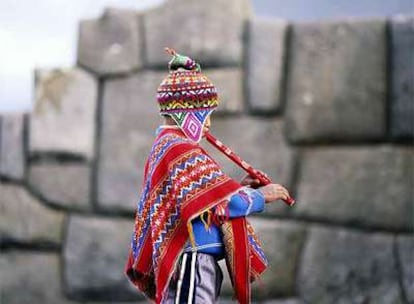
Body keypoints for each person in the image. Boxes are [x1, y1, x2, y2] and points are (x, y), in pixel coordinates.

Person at [124, 48, 291, 304]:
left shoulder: (168, 145)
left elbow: (207, 197)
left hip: (190, 259)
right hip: (191, 258)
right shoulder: (178, 148)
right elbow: (223, 204)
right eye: (207, 114)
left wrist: (239, 187)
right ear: (190, 113)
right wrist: (259, 196)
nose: (209, 124)